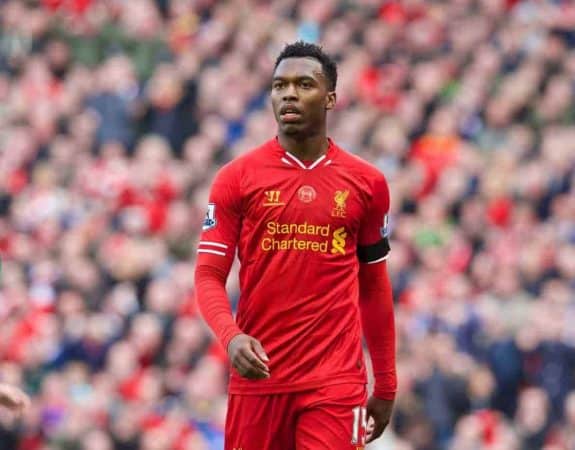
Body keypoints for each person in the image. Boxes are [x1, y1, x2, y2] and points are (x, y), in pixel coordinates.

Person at [195, 41, 396, 450]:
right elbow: (208, 274)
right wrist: (230, 337)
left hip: (338, 383)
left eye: (304, 84)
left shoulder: (368, 184)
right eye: (279, 85)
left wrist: (387, 383)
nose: (289, 93)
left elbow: (373, 285)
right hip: (259, 379)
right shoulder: (236, 178)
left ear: (330, 99)